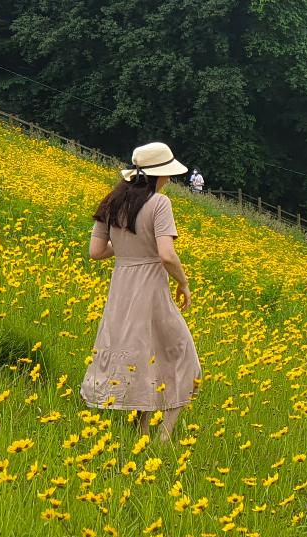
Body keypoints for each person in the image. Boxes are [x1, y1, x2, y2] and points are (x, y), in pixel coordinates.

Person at [81, 141, 202, 442]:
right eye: (168, 174)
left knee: (146, 355)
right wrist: (183, 283)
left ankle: (143, 429)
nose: (170, 180)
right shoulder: (160, 204)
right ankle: (164, 436)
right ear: (158, 175)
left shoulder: (111, 202)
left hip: (121, 287)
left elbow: (96, 252)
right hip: (151, 287)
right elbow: (166, 254)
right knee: (182, 356)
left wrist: (126, 249)